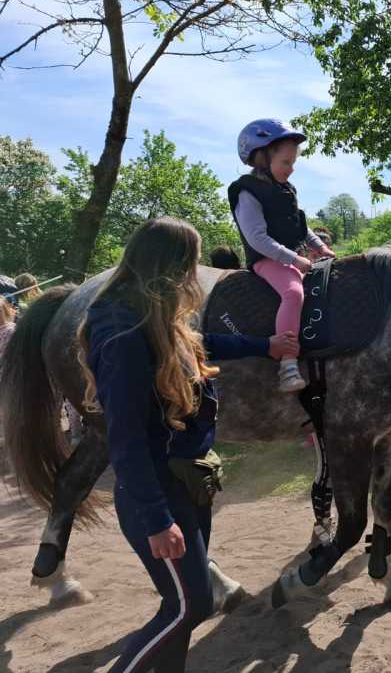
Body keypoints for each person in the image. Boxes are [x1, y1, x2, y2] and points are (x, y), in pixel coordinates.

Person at [79, 217, 299, 672]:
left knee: (180, 605)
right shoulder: (122, 333)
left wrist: (265, 345)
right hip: (160, 492)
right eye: (191, 263)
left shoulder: (156, 317)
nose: (193, 274)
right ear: (172, 265)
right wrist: (157, 519)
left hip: (188, 480)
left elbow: (201, 342)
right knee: (190, 606)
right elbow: (126, 438)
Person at [227, 119, 335, 393]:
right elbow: (257, 238)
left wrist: (319, 247)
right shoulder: (247, 192)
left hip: (291, 257)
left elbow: (300, 226)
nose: (291, 168)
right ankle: (287, 364)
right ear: (262, 159)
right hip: (267, 260)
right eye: (286, 162)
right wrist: (293, 259)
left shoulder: (286, 190)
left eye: (293, 162)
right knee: (293, 293)